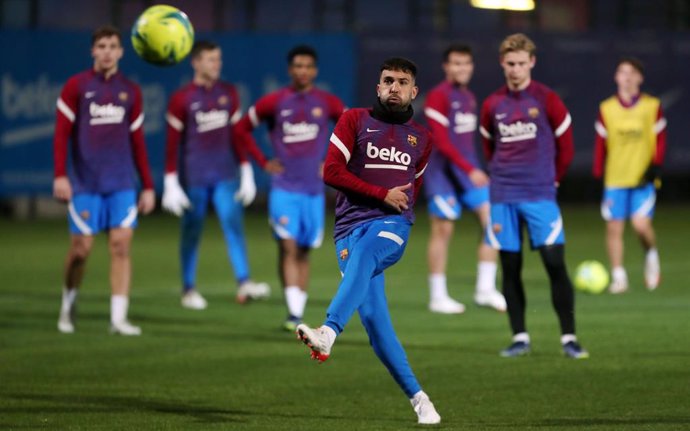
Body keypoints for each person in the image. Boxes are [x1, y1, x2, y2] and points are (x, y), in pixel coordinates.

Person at [296, 57, 441, 425]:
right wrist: (381, 193)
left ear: (413, 91)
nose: (394, 87)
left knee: (365, 254)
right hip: (348, 227)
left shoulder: (422, 138)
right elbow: (330, 171)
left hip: (391, 225)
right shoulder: (354, 119)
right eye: (388, 80)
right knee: (376, 321)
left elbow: (409, 192)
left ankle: (328, 331)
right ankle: (420, 399)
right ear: (378, 87)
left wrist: (390, 205)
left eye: (402, 81)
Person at [479, 33, 588, 359]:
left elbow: (566, 147)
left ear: (532, 63)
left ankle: (569, 338)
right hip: (503, 196)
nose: (515, 69)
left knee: (555, 263)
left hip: (540, 194)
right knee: (510, 268)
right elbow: (488, 147)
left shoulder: (546, 99)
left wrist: (553, 179)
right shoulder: (492, 104)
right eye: (510, 64)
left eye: (521, 64)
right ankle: (520, 337)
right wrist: (501, 178)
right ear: (502, 63)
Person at [53, 25, 155, 335]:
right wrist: (60, 175)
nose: (108, 51)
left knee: (121, 247)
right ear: (93, 51)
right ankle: (68, 302)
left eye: (113, 45)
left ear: (121, 52)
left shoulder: (130, 91)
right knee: (81, 249)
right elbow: (61, 134)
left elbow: (137, 141)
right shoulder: (76, 86)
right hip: (85, 182)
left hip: (122, 183)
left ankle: (118, 318)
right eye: (102, 46)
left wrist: (148, 186)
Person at [236, 45, 345, 330]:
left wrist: (333, 161)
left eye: (308, 66)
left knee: (305, 250)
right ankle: (294, 314)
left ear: (315, 70)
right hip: (283, 188)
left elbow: (351, 129)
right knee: (287, 246)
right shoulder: (274, 102)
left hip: (313, 190)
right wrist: (262, 161)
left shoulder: (326, 102)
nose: (303, 71)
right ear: (290, 70)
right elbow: (240, 128)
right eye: (298, 66)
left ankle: (297, 309)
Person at [163, 40, 271, 309]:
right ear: (196, 63)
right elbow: (171, 143)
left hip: (226, 175)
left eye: (218, 59)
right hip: (195, 177)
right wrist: (170, 181)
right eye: (211, 59)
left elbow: (237, 135)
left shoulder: (229, 93)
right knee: (191, 232)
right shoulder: (181, 98)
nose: (216, 64)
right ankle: (188, 289)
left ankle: (244, 282)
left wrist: (246, 170)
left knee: (234, 228)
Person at [423, 43, 504, 314]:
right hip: (441, 173)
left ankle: (485, 289)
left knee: (494, 222)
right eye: (456, 63)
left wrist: (476, 167)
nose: (462, 68)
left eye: (466, 63)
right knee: (443, 230)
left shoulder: (468, 97)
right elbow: (442, 142)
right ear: (446, 67)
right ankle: (437, 296)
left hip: (468, 170)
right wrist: (470, 169)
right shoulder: (437, 96)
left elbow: (466, 142)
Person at [592, 57, 665, 294]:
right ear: (616, 77)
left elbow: (660, 139)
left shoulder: (651, 106)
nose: (627, 77)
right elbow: (600, 145)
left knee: (641, 226)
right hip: (615, 178)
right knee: (614, 228)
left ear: (640, 78)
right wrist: (597, 175)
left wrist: (656, 166)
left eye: (632, 72)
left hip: (642, 178)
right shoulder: (607, 108)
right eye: (622, 72)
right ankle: (619, 277)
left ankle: (651, 255)